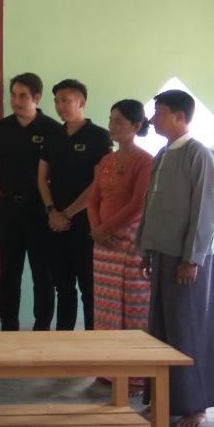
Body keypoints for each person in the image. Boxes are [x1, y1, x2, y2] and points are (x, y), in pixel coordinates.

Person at [137, 89, 214, 427]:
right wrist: (146, 250)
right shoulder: (163, 154)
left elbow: (206, 211)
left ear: (180, 117)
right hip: (162, 255)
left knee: (192, 328)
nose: (153, 119)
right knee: (163, 330)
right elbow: (152, 206)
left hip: (189, 259)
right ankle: (166, 399)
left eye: (159, 112)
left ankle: (197, 405)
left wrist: (192, 259)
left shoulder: (200, 154)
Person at [88, 99, 154, 392]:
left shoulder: (145, 161)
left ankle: (136, 376)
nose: (112, 126)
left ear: (136, 127)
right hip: (104, 246)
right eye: (110, 120)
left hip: (129, 242)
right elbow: (93, 199)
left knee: (134, 308)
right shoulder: (107, 160)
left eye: (119, 122)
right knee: (106, 309)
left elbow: (139, 203)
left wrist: (105, 229)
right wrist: (96, 229)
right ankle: (107, 369)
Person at [0, 72, 60, 331]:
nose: (16, 101)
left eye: (23, 96)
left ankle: (42, 329)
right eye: (13, 95)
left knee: (43, 273)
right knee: (9, 271)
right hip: (8, 209)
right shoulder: (0, 128)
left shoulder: (53, 130)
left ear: (36, 98)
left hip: (40, 210)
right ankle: (9, 328)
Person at [37, 79, 112, 331]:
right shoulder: (53, 136)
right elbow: (42, 178)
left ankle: (92, 340)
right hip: (54, 221)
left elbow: (97, 183)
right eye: (56, 101)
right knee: (63, 285)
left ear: (81, 102)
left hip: (85, 222)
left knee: (89, 287)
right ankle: (63, 338)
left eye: (65, 100)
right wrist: (52, 211)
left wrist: (67, 214)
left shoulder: (99, 136)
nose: (59, 106)